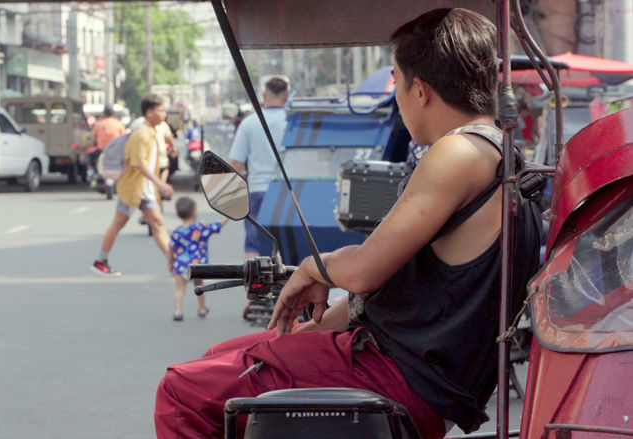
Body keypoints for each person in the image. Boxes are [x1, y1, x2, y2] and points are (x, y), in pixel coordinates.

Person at [154, 8, 541, 439]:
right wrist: (314, 328)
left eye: (396, 80)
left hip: (398, 375)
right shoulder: (499, 151)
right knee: (222, 354)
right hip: (406, 366)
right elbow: (393, 284)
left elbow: (363, 270)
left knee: (181, 390)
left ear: (421, 90)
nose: (395, 95)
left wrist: (312, 268)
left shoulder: (458, 154)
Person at [90, 94, 175, 276]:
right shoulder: (141, 134)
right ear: (149, 112)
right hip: (133, 189)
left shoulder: (150, 131)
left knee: (158, 223)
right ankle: (101, 261)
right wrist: (161, 184)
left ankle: (175, 265)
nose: (164, 114)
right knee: (119, 223)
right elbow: (139, 164)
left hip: (144, 189)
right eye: (161, 111)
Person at [228, 76, 289, 259]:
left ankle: (254, 286)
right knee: (289, 244)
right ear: (286, 97)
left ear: (264, 95)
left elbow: (236, 164)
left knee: (254, 247)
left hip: (258, 192)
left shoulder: (249, 123)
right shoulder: (293, 122)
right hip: (289, 193)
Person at [168, 197, 229, 321]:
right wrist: (228, 215)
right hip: (198, 266)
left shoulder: (176, 231)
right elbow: (218, 225)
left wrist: (171, 263)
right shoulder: (201, 228)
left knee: (179, 288)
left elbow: (171, 248)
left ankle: (178, 311)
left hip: (180, 265)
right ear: (194, 211)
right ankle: (201, 308)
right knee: (199, 287)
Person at [88, 104, 126, 178]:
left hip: (101, 151)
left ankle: (91, 174)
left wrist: (93, 145)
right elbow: (124, 138)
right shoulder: (119, 124)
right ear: (113, 113)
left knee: (90, 155)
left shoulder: (99, 124)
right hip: (117, 151)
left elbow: (93, 139)